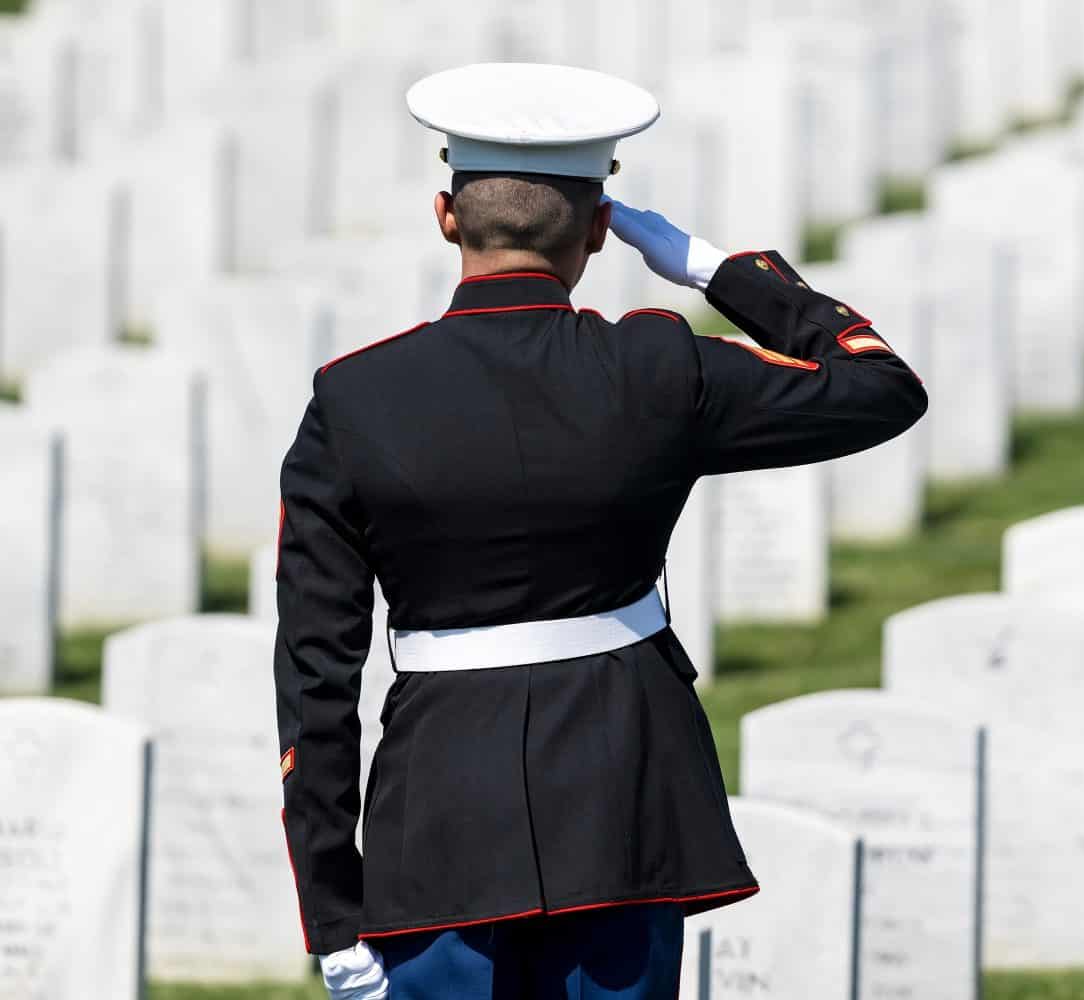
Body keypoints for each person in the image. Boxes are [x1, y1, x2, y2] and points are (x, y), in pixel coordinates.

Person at [274, 63, 927, 1000]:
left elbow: (315, 672)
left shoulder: (354, 398)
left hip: (440, 812)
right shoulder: (657, 369)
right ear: (598, 229)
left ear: (447, 216)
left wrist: (333, 917)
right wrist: (711, 266)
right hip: (623, 797)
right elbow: (883, 387)